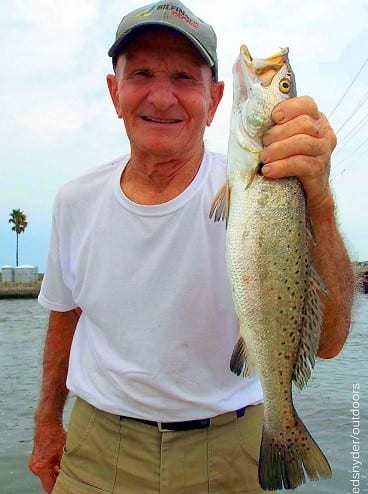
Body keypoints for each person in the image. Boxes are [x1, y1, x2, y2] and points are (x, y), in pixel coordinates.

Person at [29, 1, 354, 493]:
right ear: (115, 93)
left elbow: (328, 342)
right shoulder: (75, 201)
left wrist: (321, 202)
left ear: (216, 99)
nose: (162, 97)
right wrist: (47, 424)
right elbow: (64, 317)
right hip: (96, 452)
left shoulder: (272, 183)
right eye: (141, 73)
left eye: (184, 77)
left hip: (231, 453)